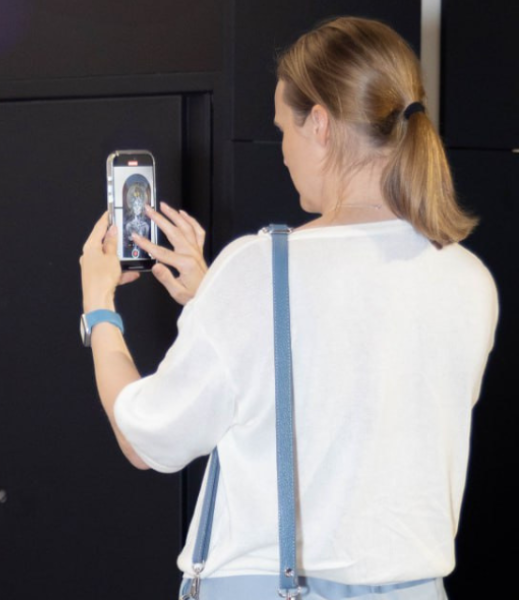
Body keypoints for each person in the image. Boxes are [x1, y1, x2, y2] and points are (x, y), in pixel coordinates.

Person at [78, 16, 498, 599]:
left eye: (284, 128)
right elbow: (359, 397)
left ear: (319, 123)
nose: (282, 151)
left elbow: (145, 440)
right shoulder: (468, 280)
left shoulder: (257, 269)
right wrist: (212, 300)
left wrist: (98, 304)